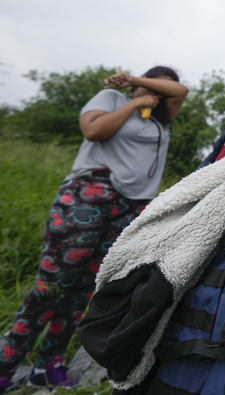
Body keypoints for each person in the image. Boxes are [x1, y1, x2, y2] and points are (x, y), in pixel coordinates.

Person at [0, 68, 187, 392]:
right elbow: (93, 130)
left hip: (131, 208)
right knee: (51, 287)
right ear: (139, 83)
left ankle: (47, 367)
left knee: (85, 290)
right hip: (89, 195)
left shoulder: (161, 119)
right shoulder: (113, 98)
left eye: (161, 90)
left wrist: (146, 92)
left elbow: (180, 90)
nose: (159, 95)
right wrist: (134, 100)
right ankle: (5, 363)